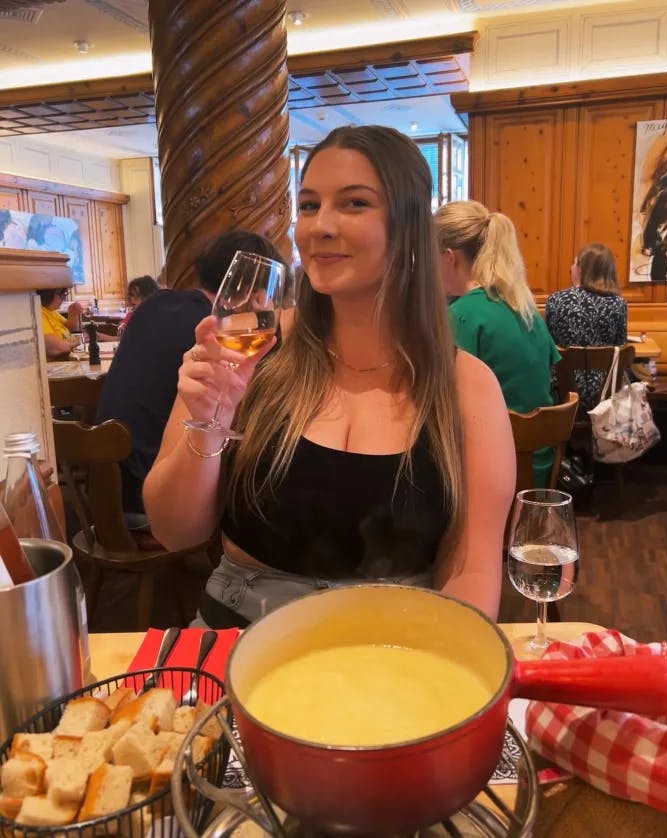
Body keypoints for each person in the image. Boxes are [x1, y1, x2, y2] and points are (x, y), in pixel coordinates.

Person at [143, 125, 515, 628]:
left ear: (409, 228)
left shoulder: (466, 386)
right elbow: (175, 531)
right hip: (241, 628)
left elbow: (469, 576)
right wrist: (210, 420)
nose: (320, 225)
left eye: (355, 203)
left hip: (393, 641)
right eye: (310, 205)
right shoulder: (251, 348)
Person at [95, 229, 286, 524]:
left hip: (104, 492)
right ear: (256, 293)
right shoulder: (215, 331)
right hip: (151, 505)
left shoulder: (153, 304)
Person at [434, 200, 560, 488]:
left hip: (493, 475)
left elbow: (445, 408)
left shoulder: (461, 316)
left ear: (449, 257)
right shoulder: (524, 308)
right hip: (538, 465)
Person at [545, 242, 628, 410]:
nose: (571, 268)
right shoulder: (619, 304)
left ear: (583, 269)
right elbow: (620, 345)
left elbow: (549, 346)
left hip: (563, 388)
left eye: (575, 263)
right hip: (606, 390)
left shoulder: (556, 300)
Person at [38, 287, 85, 359]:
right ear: (47, 295)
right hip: (55, 366)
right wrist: (80, 340)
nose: (63, 299)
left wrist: (73, 313)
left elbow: (72, 330)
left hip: (68, 360)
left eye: (64, 295)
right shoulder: (40, 313)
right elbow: (55, 349)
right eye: (60, 295)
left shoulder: (52, 311)